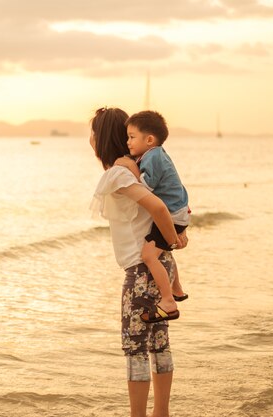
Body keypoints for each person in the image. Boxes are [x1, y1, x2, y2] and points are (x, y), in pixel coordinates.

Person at [89, 106, 188, 417]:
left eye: (93, 133)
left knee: (135, 348)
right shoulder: (133, 169)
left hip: (142, 272)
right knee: (158, 344)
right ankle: (161, 413)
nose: (90, 139)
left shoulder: (118, 174)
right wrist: (174, 237)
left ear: (102, 137)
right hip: (158, 265)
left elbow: (159, 206)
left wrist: (172, 238)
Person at [113, 110, 190, 323]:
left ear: (149, 139)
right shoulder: (155, 153)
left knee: (149, 256)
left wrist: (129, 166)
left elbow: (145, 187)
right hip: (179, 211)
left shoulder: (152, 157)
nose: (127, 142)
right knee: (164, 251)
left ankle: (168, 302)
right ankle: (177, 289)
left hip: (171, 215)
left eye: (131, 137)